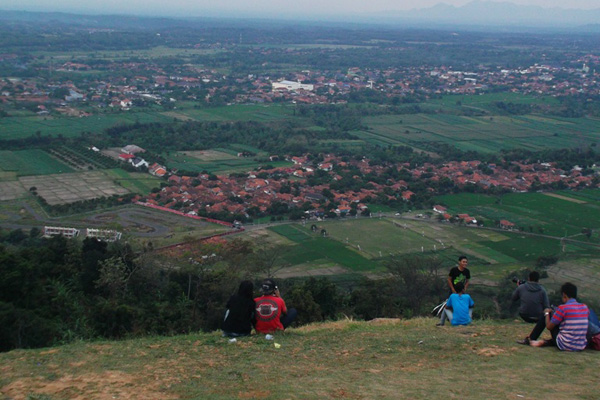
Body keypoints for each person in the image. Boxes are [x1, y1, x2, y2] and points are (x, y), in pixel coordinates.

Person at [518, 282, 589, 351]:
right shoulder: (585, 307)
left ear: (564, 295)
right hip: (580, 345)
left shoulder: (563, 308)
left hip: (565, 344)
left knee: (548, 314)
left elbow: (549, 327)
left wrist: (546, 314)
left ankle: (531, 338)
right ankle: (544, 342)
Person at [437, 255, 471, 326]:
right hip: (453, 290)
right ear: (459, 262)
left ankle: (448, 320)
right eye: (463, 262)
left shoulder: (467, 271)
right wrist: (452, 289)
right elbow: (449, 279)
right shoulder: (454, 270)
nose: (465, 263)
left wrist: (465, 288)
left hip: (461, 290)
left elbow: (467, 281)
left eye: (466, 262)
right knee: (450, 305)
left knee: (458, 305)